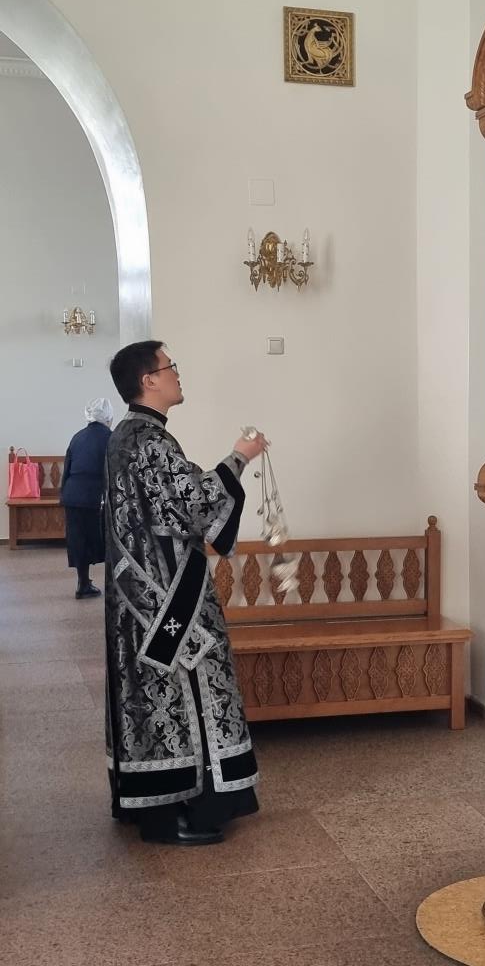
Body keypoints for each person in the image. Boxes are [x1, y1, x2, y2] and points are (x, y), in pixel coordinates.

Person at [104, 341, 267, 845]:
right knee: (186, 692)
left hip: (141, 600)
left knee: (154, 702)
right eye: (169, 366)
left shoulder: (125, 437)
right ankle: (185, 813)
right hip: (170, 600)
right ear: (148, 380)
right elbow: (194, 507)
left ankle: (155, 806)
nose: (177, 373)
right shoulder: (150, 441)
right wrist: (239, 458)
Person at [61, 397, 114, 599]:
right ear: (108, 417)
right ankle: (114, 587)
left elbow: (67, 469)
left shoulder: (77, 437)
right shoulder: (111, 438)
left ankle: (83, 584)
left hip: (73, 496)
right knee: (109, 541)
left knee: (79, 540)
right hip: (97, 498)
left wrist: (63, 495)